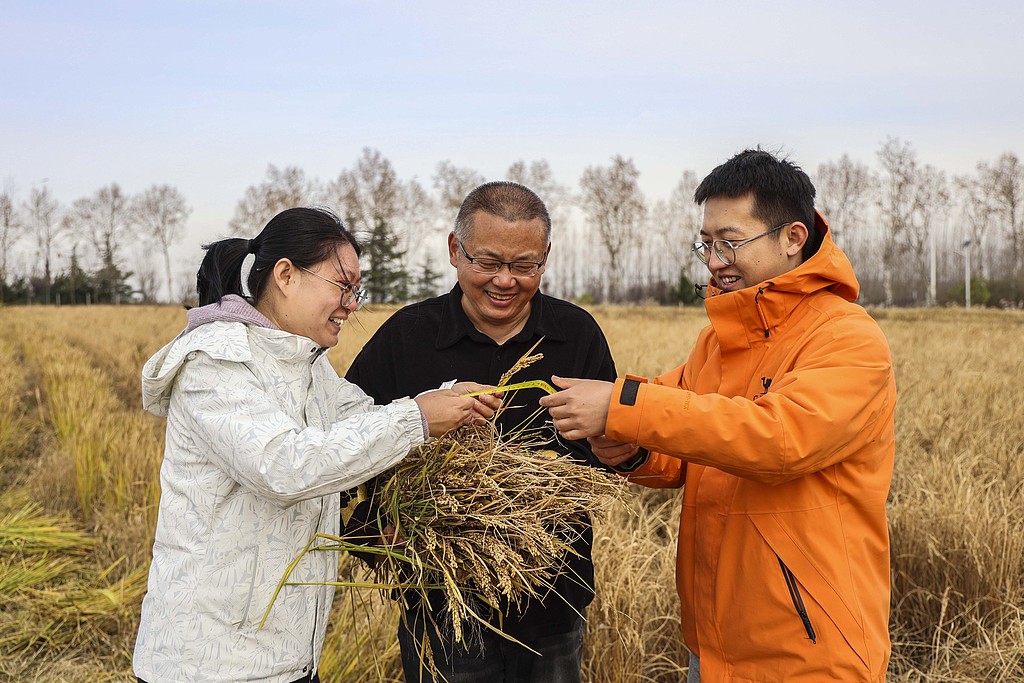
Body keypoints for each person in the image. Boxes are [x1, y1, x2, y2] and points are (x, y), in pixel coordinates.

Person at [540, 150, 896, 682]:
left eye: (730, 242)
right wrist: (629, 447)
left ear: (793, 237)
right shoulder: (718, 343)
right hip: (713, 644)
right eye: (705, 243)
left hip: (810, 650)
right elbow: (677, 444)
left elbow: (779, 440)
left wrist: (622, 406)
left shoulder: (846, 338)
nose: (714, 260)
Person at [133, 207, 498, 683]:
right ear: (285, 275)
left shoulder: (309, 367)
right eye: (342, 285)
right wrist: (418, 418)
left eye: (357, 291)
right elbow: (284, 466)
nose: (351, 304)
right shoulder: (216, 364)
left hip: (286, 659)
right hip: (208, 665)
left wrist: (446, 399)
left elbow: (362, 424)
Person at [344, 181, 617, 683]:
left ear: (546, 257)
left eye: (524, 265)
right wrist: (371, 529)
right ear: (455, 249)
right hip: (440, 605)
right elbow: (341, 448)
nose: (505, 281)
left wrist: (620, 435)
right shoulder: (406, 337)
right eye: (488, 262)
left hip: (552, 603)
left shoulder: (577, 335)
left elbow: (608, 461)